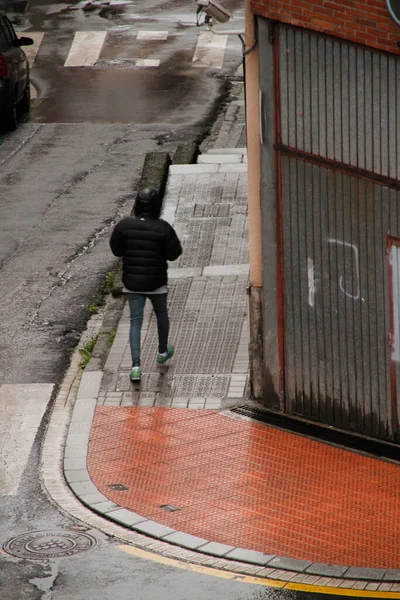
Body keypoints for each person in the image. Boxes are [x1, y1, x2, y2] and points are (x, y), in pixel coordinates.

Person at [110, 187, 182, 382]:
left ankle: (135, 366)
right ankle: (162, 351)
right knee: (161, 314)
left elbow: (116, 250)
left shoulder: (124, 226)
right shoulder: (163, 227)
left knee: (135, 321)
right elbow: (174, 254)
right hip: (157, 281)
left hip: (132, 282)